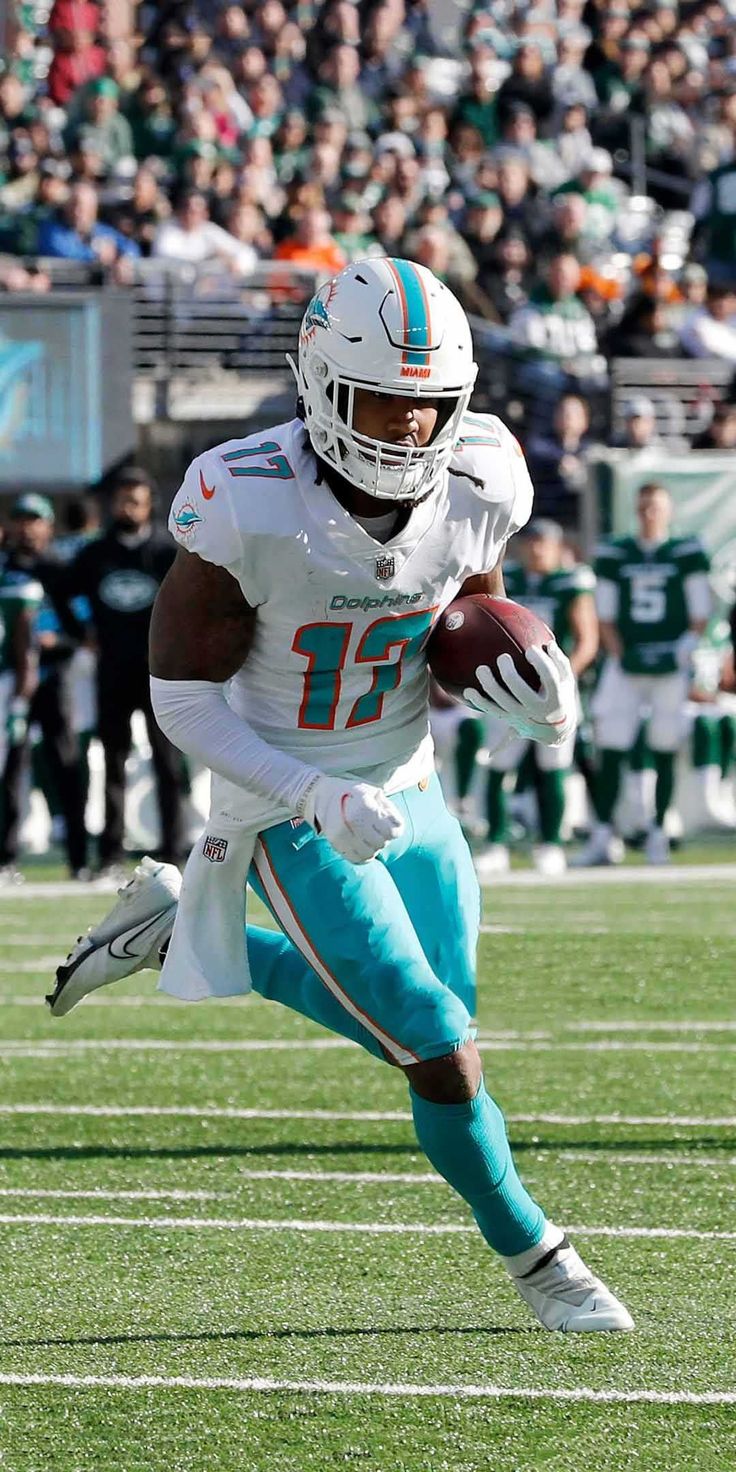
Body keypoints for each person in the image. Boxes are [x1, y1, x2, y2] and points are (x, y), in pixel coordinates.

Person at [48, 257, 632, 1335]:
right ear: (319, 382)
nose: (407, 433)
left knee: (439, 1029)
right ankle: (539, 1255)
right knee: (435, 1045)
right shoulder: (247, 497)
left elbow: (467, 621)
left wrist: (533, 694)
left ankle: (173, 927)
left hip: (408, 781)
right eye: (382, 404)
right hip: (280, 799)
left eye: (427, 409)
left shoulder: (484, 475)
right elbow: (179, 700)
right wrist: (310, 794)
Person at [579, 483, 712, 865]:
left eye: (656, 507)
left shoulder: (685, 552)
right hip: (627, 662)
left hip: (671, 662)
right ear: (636, 511)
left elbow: (699, 610)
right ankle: (604, 834)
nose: (650, 514)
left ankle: (658, 831)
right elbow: (604, 615)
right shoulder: (617, 552)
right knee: (611, 745)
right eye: (644, 507)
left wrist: (683, 647)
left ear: (668, 511)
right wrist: (622, 655)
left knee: (665, 745)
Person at [64, 468, 187, 874]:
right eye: (121, 500)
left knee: (167, 763)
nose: (128, 508)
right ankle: (111, 855)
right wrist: (82, 631)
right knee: (113, 762)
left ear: (150, 504)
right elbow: (66, 596)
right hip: (112, 672)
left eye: (136, 500)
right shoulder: (93, 555)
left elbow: (193, 605)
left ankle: (174, 849)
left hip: (159, 672)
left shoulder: (168, 553)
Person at [476, 519, 598, 878]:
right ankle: (495, 843)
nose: (536, 549)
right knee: (498, 765)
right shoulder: (507, 579)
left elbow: (586, 639)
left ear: (558, 546)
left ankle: (550, 845)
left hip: (553, 688)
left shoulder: (570, 582)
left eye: (543, 542)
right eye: (530, 542)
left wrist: (561, 680)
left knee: (553, 765)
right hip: (507, 685)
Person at [0, 494, 89, 879]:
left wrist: (55, 644)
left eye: (34, 520)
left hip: (53, 679)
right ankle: (6, 858)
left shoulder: (62, 571)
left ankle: (79, 859)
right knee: (9, 768)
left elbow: (82, 631)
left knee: (66, 763)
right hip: (12, 681)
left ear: (48, 526)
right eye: (20, 519)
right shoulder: (3, 569)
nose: (26, 527)